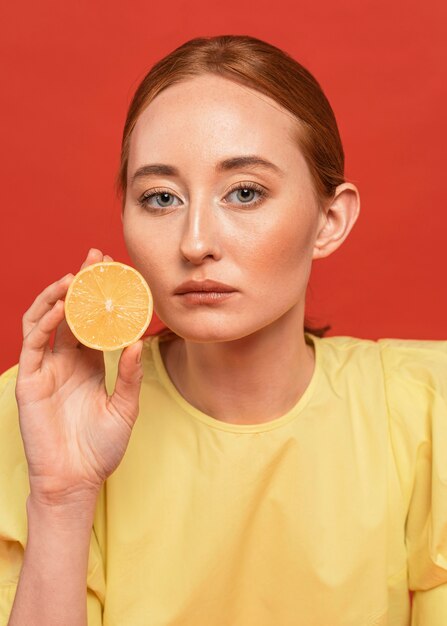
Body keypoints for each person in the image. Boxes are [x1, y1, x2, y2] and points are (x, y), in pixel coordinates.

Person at [0, 34, 446, 626]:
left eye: (244, 193)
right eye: (161, 198)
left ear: (329, 220)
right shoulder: (39, 413)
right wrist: (61, 499)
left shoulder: (427, 409)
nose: (195, 243)